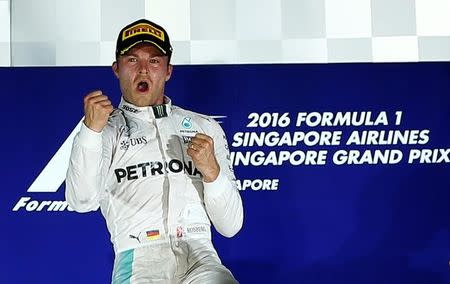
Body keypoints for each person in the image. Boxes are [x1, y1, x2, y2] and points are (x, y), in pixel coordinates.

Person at [65, 19, 243, 283]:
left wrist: (212, 173)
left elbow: (230, 226)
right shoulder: (104, 129)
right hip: (139, 260)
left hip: (200, 256)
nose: (144, 70)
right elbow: (81, 201)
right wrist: (90, 132)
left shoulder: (204, 126)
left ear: (168, 70)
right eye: (132, 60)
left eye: (154, 61)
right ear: (117, 69)